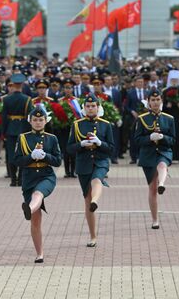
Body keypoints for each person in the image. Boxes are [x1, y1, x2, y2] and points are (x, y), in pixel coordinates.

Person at [14, 105, 61, 262]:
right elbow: (16, 160)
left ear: (46, 121)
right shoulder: (23, 138)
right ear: (30, 121)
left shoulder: (51, 138)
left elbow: (58, 161)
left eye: (41, 120)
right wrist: (31, 157)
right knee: (36, 219)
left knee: (38, 193)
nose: (38, 122)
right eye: (35, 120)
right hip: (29, 177)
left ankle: (29, 207)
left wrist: (45, 156)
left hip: (46, 176)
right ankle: (39, 253)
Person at [67, 94, 114, 247]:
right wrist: (81, 144)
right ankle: (93, 236)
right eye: (88, 106)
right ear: (84, 108)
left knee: (97, 180)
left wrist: (100, 143)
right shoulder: (76, 125)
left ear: (98, 107)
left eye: (93, 106)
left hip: (100, 161)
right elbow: (69, 148)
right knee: (87, 199)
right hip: (83, 164)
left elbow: (112, 149)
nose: (91, 108)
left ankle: (95, 200)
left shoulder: (106, 125)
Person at [134, 90, 176, 229]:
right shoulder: (142, 119)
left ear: (161, 101)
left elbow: (173, 140)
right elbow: (137, 140)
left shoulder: (169, 119)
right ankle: (155, 219)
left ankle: (162, 183)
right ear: (148, 101)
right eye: (153, 100)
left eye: (158, 99)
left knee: (163, 165)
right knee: (152, 188)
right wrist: (149, 138)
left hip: (163, 150)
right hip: (148, 154)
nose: (156, 102)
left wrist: (163, 137)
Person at [1, 73, 34, 186]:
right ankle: (20, 179)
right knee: (23, 153)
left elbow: (4, 117)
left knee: (11, 154)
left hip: (10, 129)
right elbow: (30, 117)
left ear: (13, 85)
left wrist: (3, 132)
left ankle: (13, 179)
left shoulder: (6, 99)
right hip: (23, 129)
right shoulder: (27, 99)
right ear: (22, 86)